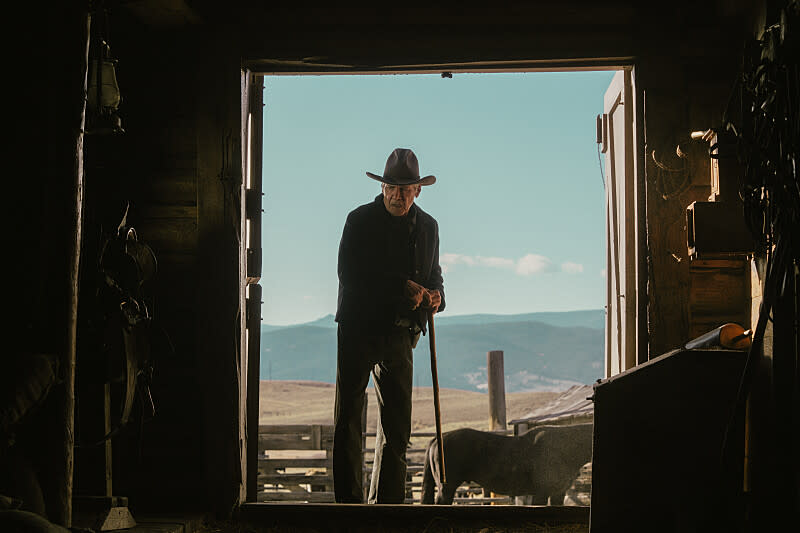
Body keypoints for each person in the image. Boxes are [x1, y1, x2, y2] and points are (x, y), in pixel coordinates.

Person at [333, 148, 445, 503]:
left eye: (405, 188)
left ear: (418, 190)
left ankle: (389, 508)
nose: (397, 195)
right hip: (358, 329)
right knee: (349, 418)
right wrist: (400, 287)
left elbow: (434, 275)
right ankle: (349, 509)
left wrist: (437, 295)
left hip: (401, 333)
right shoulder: (359, 220)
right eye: (391, 187)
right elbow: (349, 274)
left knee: (397, 427)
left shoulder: (428, 227)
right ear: (382, 187)